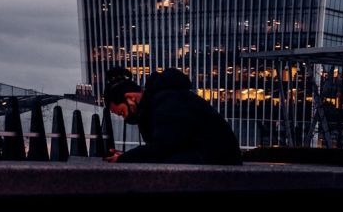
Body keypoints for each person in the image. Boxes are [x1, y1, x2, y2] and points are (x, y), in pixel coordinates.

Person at [103, 66, 242, 165]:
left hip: (216, 164)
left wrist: (126, 158)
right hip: (211, 160)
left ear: (130, 97)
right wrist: (128, 156)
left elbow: (161, 149)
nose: (125, 118)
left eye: (122, 112)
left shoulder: (167, 102)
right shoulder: (159, 101)